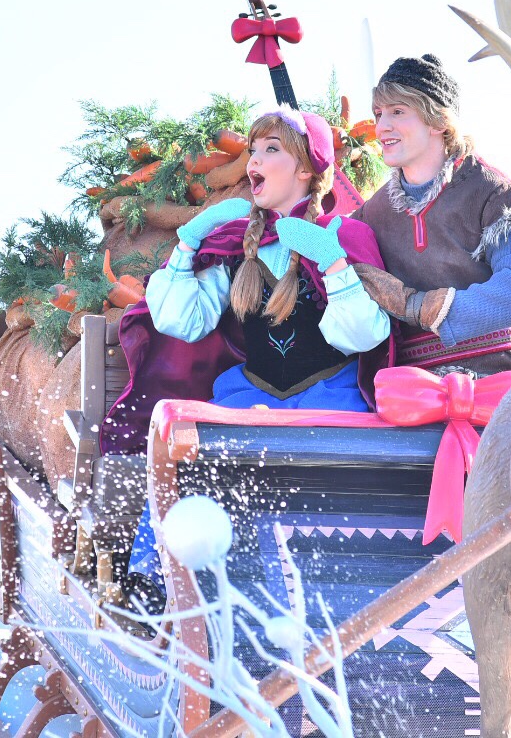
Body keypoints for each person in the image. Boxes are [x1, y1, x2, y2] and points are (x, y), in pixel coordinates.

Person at [117, 108, 390, 604]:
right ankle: (159, 581)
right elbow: (181, 320)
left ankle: (354, 583)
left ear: (305, 168)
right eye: (252, 150)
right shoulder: (235, 245)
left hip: (329, 398)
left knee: (348, 469)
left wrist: (331, 261)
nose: (254, 161)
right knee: (193, 460)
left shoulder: (344, 236)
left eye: (271, 150)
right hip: (251, 395)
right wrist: (188, 242)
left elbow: (363, 336)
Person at [352, 53, 511, 377]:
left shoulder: (499, 194)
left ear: (438, 121)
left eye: (397, 111)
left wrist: (420, 307)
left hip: (501, 376)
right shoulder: (371, 214)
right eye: (378, 114)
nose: (381, 127)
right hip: (405, 391)